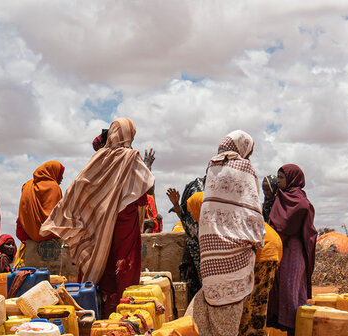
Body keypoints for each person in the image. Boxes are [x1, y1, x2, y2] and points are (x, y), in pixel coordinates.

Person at [41, 118, 155, 316]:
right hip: (124, 221)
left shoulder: (99, 157)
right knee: (123, 265)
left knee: (102, 264)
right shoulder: (131, 157)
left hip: (99, 223)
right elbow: (148, 188)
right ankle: (123, 312)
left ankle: (97, 313)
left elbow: (79, 185)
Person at [185, 130, 264, 336]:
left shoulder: (212, 166)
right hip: (235, 241)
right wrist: (255, 235)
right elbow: (250, 204)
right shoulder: (244, 167)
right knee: (232, 295)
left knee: (212, 290)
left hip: (210, 242)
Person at [265, 164, 316, 336]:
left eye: (281, 177)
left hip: (293, 250)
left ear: (292, 178)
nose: (278, 181)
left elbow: (289, 221)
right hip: (284, 249)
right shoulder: (282, 197)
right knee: (286, 290)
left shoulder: (298, 200)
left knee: (290, 291)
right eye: (278, 178)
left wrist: (281, 229)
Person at [238, 222, 283, 336]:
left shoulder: (223, 218)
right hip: (272, 250)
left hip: (263, 252)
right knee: (260, 300)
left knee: (248, 299)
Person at [15, 160, 64, 266]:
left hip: (30, 238)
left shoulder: (28, 185)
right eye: (60, 174)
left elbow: (24, 212)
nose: (62, 178)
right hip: (51, 239)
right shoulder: (54, 187)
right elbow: (56, 215)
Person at [166, 177, 205, 304]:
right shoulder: (194, 191)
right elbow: (183, 215)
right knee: (192, 287)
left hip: (208, 250)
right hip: (193, 250)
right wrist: (176, 204)